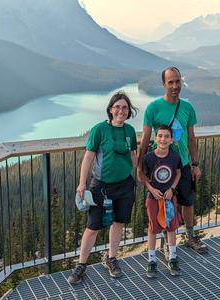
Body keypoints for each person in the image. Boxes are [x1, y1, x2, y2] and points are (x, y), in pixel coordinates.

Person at [68, 91, 138, 284]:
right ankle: (81, 265)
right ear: (110, 109)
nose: (121, 111)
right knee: (93, 226)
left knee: (118, 223)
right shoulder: (99, 130)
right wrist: (82, 183)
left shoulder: (130, 131)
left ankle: (111, 259)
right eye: (117, 107)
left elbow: (133, 156)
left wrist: (143, 172)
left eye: (125, 107)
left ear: (128, 111)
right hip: (101, 187)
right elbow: (89, 157)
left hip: (124, 185)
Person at [137, 66, 208, 254]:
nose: (175, 86)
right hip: (160, 165)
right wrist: (140, 166)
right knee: (162, 203)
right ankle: (167, 244)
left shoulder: (187, 108)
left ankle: (190, 237)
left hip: (182, 164)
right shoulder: (153, 108)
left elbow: (191, 138)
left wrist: (194, 164)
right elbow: (145, 139)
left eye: (177, 81)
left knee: (187, 201)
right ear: (163, 84)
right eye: (171, 82)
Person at [143, 125, 182, 278]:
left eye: (166, 136)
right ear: (155, 138)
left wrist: (172, 188)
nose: (163, 139)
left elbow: (178, 173)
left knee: (171, 227)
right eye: (160, 136)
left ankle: (173, 257)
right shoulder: (148, 158)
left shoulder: (174, 157)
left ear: (171, 139)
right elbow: (144, 178)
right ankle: (151, 260)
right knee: (153, 227)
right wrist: (152, 190)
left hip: (169, 198)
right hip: (153, 198)